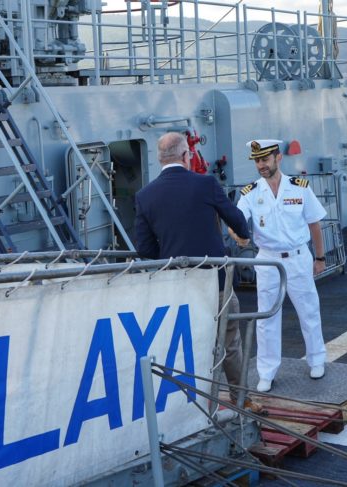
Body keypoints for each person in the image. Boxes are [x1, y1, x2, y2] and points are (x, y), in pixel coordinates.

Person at [134, 132, 255, 407]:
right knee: (229, 341)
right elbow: (236, 219)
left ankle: (189, 405)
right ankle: (241, 400)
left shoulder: (145, 196)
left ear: (159, 158)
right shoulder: (205, 184)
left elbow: (145, 249)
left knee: (183, 343)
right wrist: (243, 236)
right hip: (216, 280)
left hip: (175, 285)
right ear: (186, 156)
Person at [230, 139, 328, 393]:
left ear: (278, 158)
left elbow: (314, 224)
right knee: (267, 317)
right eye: (257, 161)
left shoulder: (300, 188)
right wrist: (238, 235)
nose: (260, 165)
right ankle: (267, 371)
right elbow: (236, 221)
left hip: (298, 257)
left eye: (265, 159)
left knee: (309, 310)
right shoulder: (250, 193)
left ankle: (317, 360)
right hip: (268, 260)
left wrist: (319, 258)